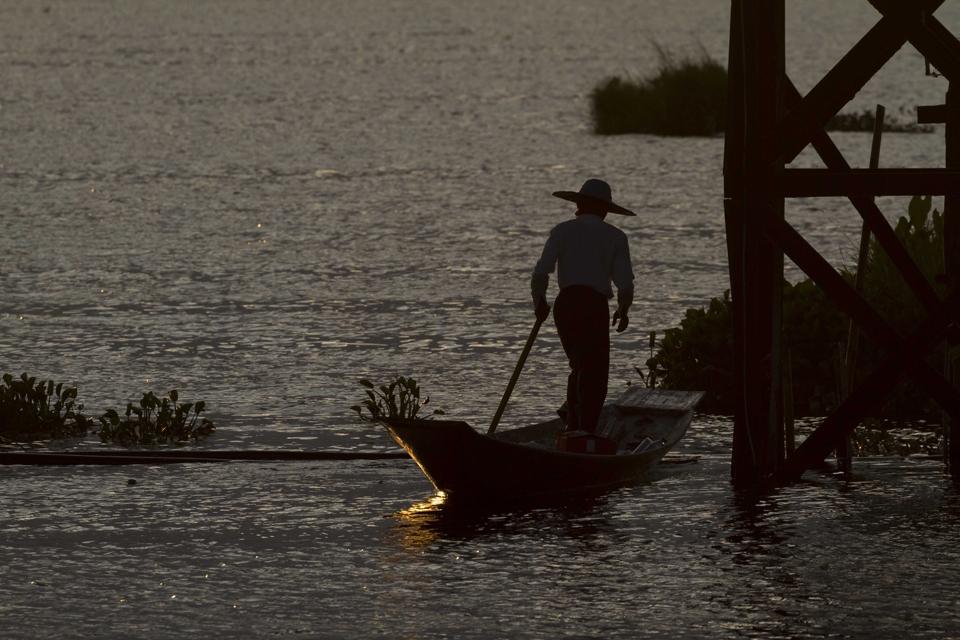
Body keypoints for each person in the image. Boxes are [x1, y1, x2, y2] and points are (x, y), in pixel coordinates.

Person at [531, 178, 635, 434]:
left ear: (579, 204)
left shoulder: (562, 231)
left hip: (565, 305)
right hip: (592, 305)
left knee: (581, 365)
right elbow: (625, 282)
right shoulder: (616, 237)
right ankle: (582, 429)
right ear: (604, 209)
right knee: (593, 371)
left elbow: (541, 272)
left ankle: (572, 419)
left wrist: (539, 300)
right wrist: (623, 307)